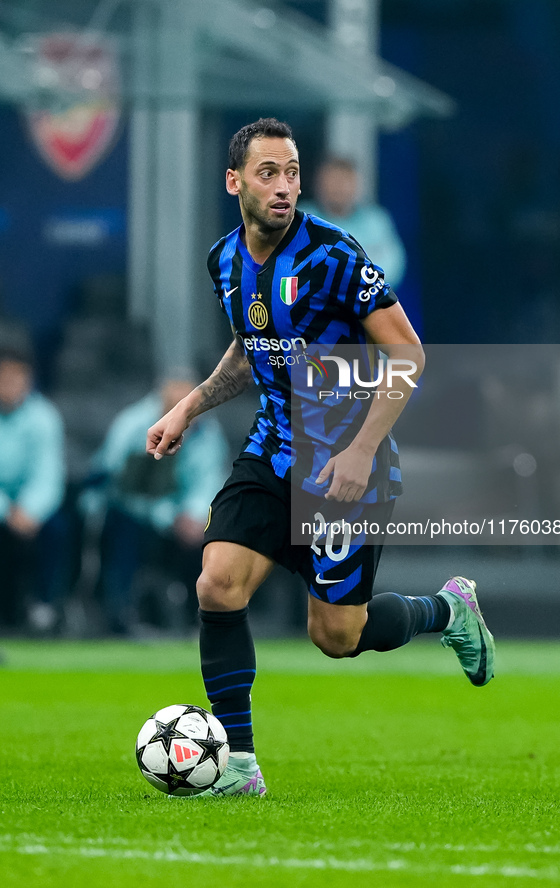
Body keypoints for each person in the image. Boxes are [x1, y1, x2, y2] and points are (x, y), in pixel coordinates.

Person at [146, 118, 495, 797]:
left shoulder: (334, 257)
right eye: (267, 173)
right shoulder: (223, 259)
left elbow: (408, 353)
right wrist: (185, 408)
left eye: (291, 173)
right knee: (217, 583)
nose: (283, 187)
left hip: (344, 465)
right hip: (272, 451)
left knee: (337, 636)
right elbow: (252, 349)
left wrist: (363, 450)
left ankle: (448, 611)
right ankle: (239, 767)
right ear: (234, 181)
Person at [83, 375, 229, 634]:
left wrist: (192, 515)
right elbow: (113, 477)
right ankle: (119, 614)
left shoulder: (207, 431)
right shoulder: (132, 424)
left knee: (211, 535)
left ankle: (202, 615)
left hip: (179, 517)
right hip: (131, 510)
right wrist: (167, 515)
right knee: (123, 529)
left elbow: (208, 481)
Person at [0, 342, 67, 632]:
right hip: (2, 506)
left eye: (18, 377)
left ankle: (44, 605)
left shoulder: (44, 416)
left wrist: (29, 511)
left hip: (31, 510)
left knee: (57, 529)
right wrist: (5, 510)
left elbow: (48, 475)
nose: (11, 384)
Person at [299, 156, 407, 289]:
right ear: (318, 184)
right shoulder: (301, 219)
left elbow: (392, 266)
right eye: (333, 180)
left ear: (356, 185)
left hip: (366, 301)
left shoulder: (376, 221)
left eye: (344, 181)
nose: (338, 188)